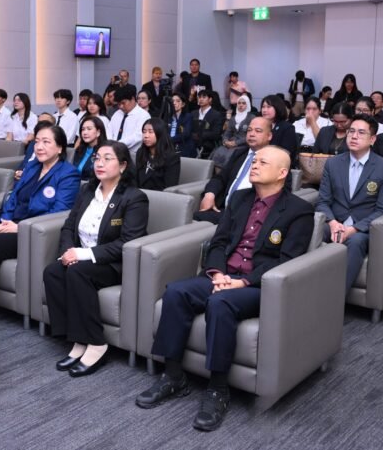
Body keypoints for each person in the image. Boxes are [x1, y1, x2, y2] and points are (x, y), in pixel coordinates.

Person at [135, 146, 314, 432]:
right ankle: (173, 376)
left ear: (282, 173)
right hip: (223, 274)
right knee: (176, 292)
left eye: (263, 162)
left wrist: (242, 281)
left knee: (220, 304)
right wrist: (218, 273)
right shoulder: (240, 198)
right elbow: (219, 242)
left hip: (257, 284)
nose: (254, 165)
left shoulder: (298, 210)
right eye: (254, 161)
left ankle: (218, 389)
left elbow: (287, 260)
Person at [44, 141, 149, 377]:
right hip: (81, 258)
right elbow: (68, 226)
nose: (100, 163)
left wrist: (81, 255)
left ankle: (96, 342)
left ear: (123, 165)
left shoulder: (134, 198)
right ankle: (77, 338)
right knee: (52, 272)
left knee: (77, 272)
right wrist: (68, 252)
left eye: (107, 158)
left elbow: (127, 242)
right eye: (97, 158)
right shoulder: (87, 191)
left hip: (112, 263)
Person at [0, 125, 80, 295]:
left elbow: (59, 212)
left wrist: (19, 227)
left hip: (33, 231)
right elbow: (13, 197)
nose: (39, 147)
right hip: (12, 224)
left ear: (60, 148)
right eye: (37, 142)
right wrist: (4, 221)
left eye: (46, 142)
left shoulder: (68, 174)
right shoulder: (32, 167)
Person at [316, 114, 383, 293]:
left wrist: (354, 229)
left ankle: (335, 298)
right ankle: (300, 289)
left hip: (363, 228)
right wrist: (332, 222)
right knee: (311, 229)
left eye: (361, 133)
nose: (354, 136)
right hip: (335, 221)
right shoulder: (333, 163)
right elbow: (323, 201)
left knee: (355, 242)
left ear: (373, 139)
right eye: (351, 131)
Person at [194, 117, 272, 223]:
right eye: (249, 130)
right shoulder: (239, 154)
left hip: (248, 216)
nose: (252, 134)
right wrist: (210, 194)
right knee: (194, 217)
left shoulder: (276, 160)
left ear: (269, 136)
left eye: (258, 131)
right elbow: (220, 178)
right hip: (224, 210)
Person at [136, 118, 181, 191]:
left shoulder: (171, 157)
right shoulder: (140, 152)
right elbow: (137, 180)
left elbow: (169, 187)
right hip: (139, 195)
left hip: (158, 196)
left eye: (150, 132)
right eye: (144, 132)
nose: (146, 135)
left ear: (160, 134)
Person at [212, 95, 255, 168]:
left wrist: (236, 143)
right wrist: (225, 141)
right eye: (239, 103)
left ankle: (226, 174)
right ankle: (217, 174)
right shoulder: (233, 118)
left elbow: (250, 135)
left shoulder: (252, 118)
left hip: (244, 144)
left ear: (247, 105)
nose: (241, 105)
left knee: (230, 154)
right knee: (218, 151)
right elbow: (227, 132)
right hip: (231, 143)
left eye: (243, 103)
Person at [109, 86, 151, 155]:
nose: (121, 106)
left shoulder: (143, 115)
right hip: (113, 150)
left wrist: (118, 145)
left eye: (123, 103)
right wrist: (110, 143)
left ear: (133, 99)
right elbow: (109, 130)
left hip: (132, 153)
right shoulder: (117, 114)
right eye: (119, 104)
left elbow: (138, 136)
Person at [260, 95, 297, 162]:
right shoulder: (260, 125)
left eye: (268, 107)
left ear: (277, 108)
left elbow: (286, 152)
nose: (264, 110)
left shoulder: (287, 127)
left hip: (277, 162)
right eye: (263, 107)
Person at [191, 90, 224, 159]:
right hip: (192, 143)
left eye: (204, 97)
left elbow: (216, 133)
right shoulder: (193, 113)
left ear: (210, 99)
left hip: (207, 144)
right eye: (199, 97)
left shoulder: (216, 115)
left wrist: (200, 135)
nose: (201, 99)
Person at [73, 116, 106, 180]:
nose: (85, 132)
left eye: (89, 129)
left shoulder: (103, 152)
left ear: (98, 132)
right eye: (83, 129)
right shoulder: (79, 149)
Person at [168, 92, 196, 158]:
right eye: (172, 101)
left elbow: (186, 134)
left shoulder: (188, 117)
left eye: (177, 101)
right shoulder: (167, 117)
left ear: (183, 104)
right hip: (169, 146)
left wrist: (170, 140)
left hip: (183, 146)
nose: (174, 103)